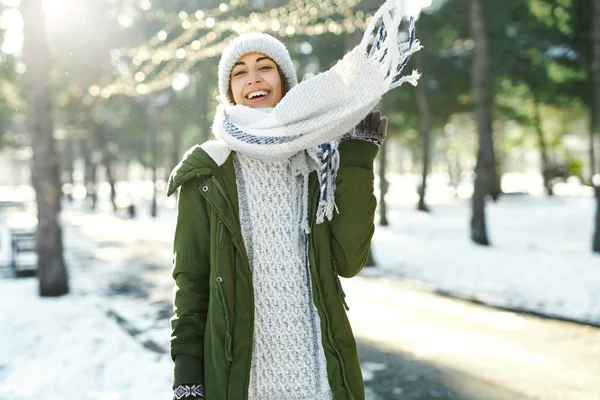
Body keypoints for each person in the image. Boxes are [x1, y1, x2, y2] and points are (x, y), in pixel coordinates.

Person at [166, 1, 421, 399]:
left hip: (316, 375)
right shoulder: (208, 173)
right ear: (229, 90)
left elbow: (347, 261)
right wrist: (187, 374)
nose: (253, 78)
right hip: (241, 381)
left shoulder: (318, 161)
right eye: (239, 71)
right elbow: (192, 285)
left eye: (265, 66)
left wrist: (355, 163)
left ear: (284, 80)